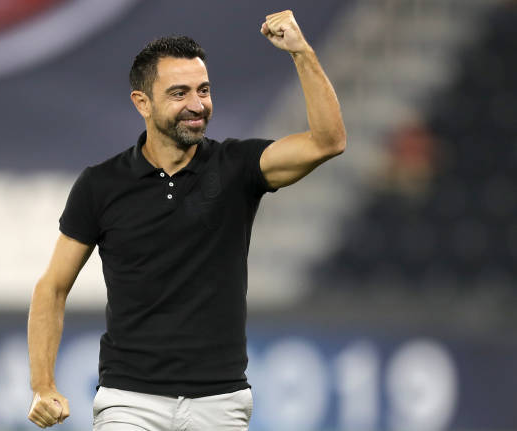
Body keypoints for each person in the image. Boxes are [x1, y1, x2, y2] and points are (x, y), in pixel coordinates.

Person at [27, 10, 346, 431]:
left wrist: (301, 52)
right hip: (130, 402)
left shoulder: (239, 167)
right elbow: (52, 286)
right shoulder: (100, 185)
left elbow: (328, 141)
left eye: (204, 90)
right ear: (142, 102)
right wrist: (43, 384)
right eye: (179, 93)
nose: (197, 105)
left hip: (220, 402)